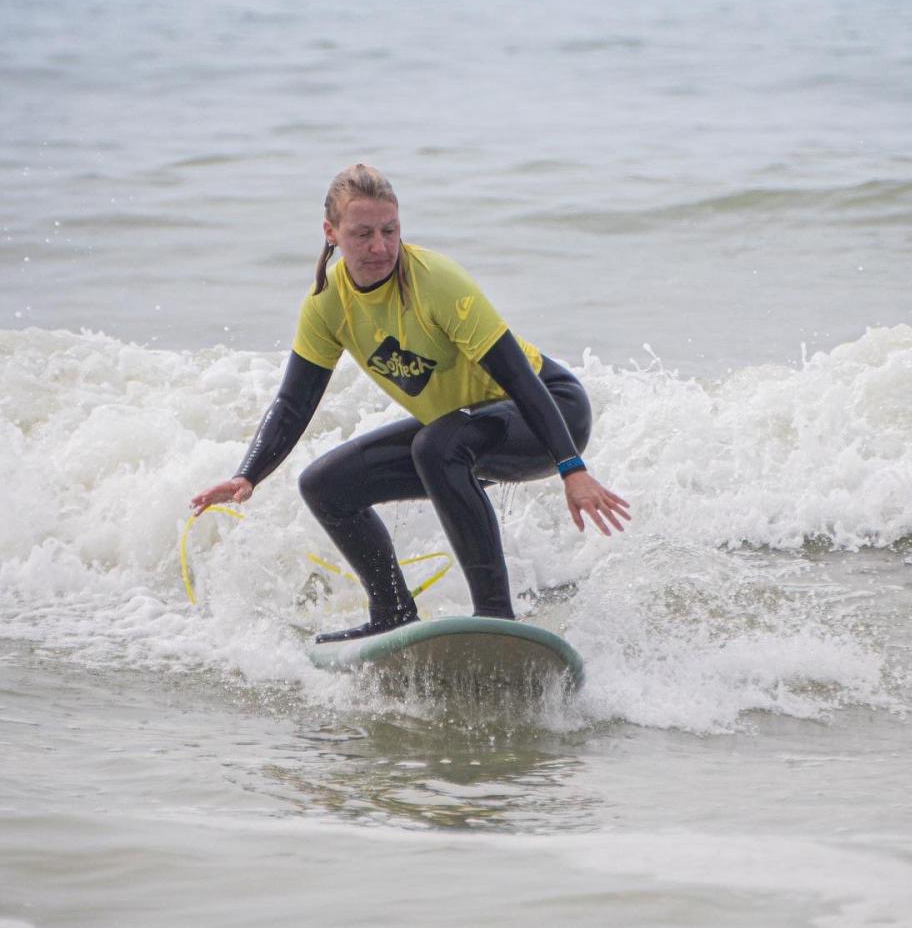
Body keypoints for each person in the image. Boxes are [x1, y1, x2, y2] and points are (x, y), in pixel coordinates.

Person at [191, 163, 630, 642]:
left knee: (437, 445)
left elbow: (522, 381)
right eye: (362, 234)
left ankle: (497, 622)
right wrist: (247, 473)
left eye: (389, 231)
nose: (380, 247)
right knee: (326, 485)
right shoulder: (326, 304)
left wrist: (572, 467)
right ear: (331, 233)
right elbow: (295, 402)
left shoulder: (436, 282)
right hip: (461, 433)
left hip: (548, 409)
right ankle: (393, 613)